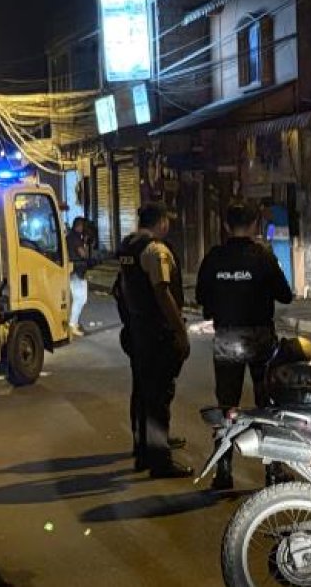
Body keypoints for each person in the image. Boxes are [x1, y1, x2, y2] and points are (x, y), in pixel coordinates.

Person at [195, 201, 294, 490]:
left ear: (227, 226)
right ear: (254, 226)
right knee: (267, 405)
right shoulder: (262, 257)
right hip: (260, 340)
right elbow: (285, 295)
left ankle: (223, 471)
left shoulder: (214, 258)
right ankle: (273, 471)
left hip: (226, 339)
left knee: (227, 406)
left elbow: (201, 296)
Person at [116, 201, 192, 478]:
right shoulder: (155, 250)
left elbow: (120, 289)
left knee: (143, 392)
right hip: (156, 332)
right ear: (161, 222)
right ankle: (160, 461)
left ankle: (144, 449)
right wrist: (180, 331)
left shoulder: (128, 247)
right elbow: (162, 292)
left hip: (138, 330)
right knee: (159, 397)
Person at [67, 217, 92, 337]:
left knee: (79, 299)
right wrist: (85, 243)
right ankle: (72, 325)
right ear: (79, 226)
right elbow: (83, 254)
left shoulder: (70, 236)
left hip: (73, 270)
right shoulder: (76, 238)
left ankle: (74, 323)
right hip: (77, 271)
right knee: (80, 299)